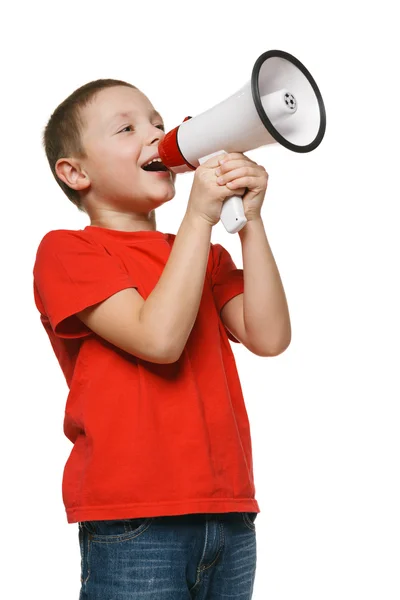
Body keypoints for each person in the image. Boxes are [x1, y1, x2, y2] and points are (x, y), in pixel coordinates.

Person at [33, 79, 291, 599]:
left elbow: (269, 337)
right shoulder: (67, 252)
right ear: (75, 172)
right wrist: (199, 216)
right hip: (138, 519)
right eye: (127, 128)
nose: (155, 135)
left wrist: (250, 224)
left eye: (157, 122)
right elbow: (159, 339)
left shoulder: (203, 257)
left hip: (230, 513)